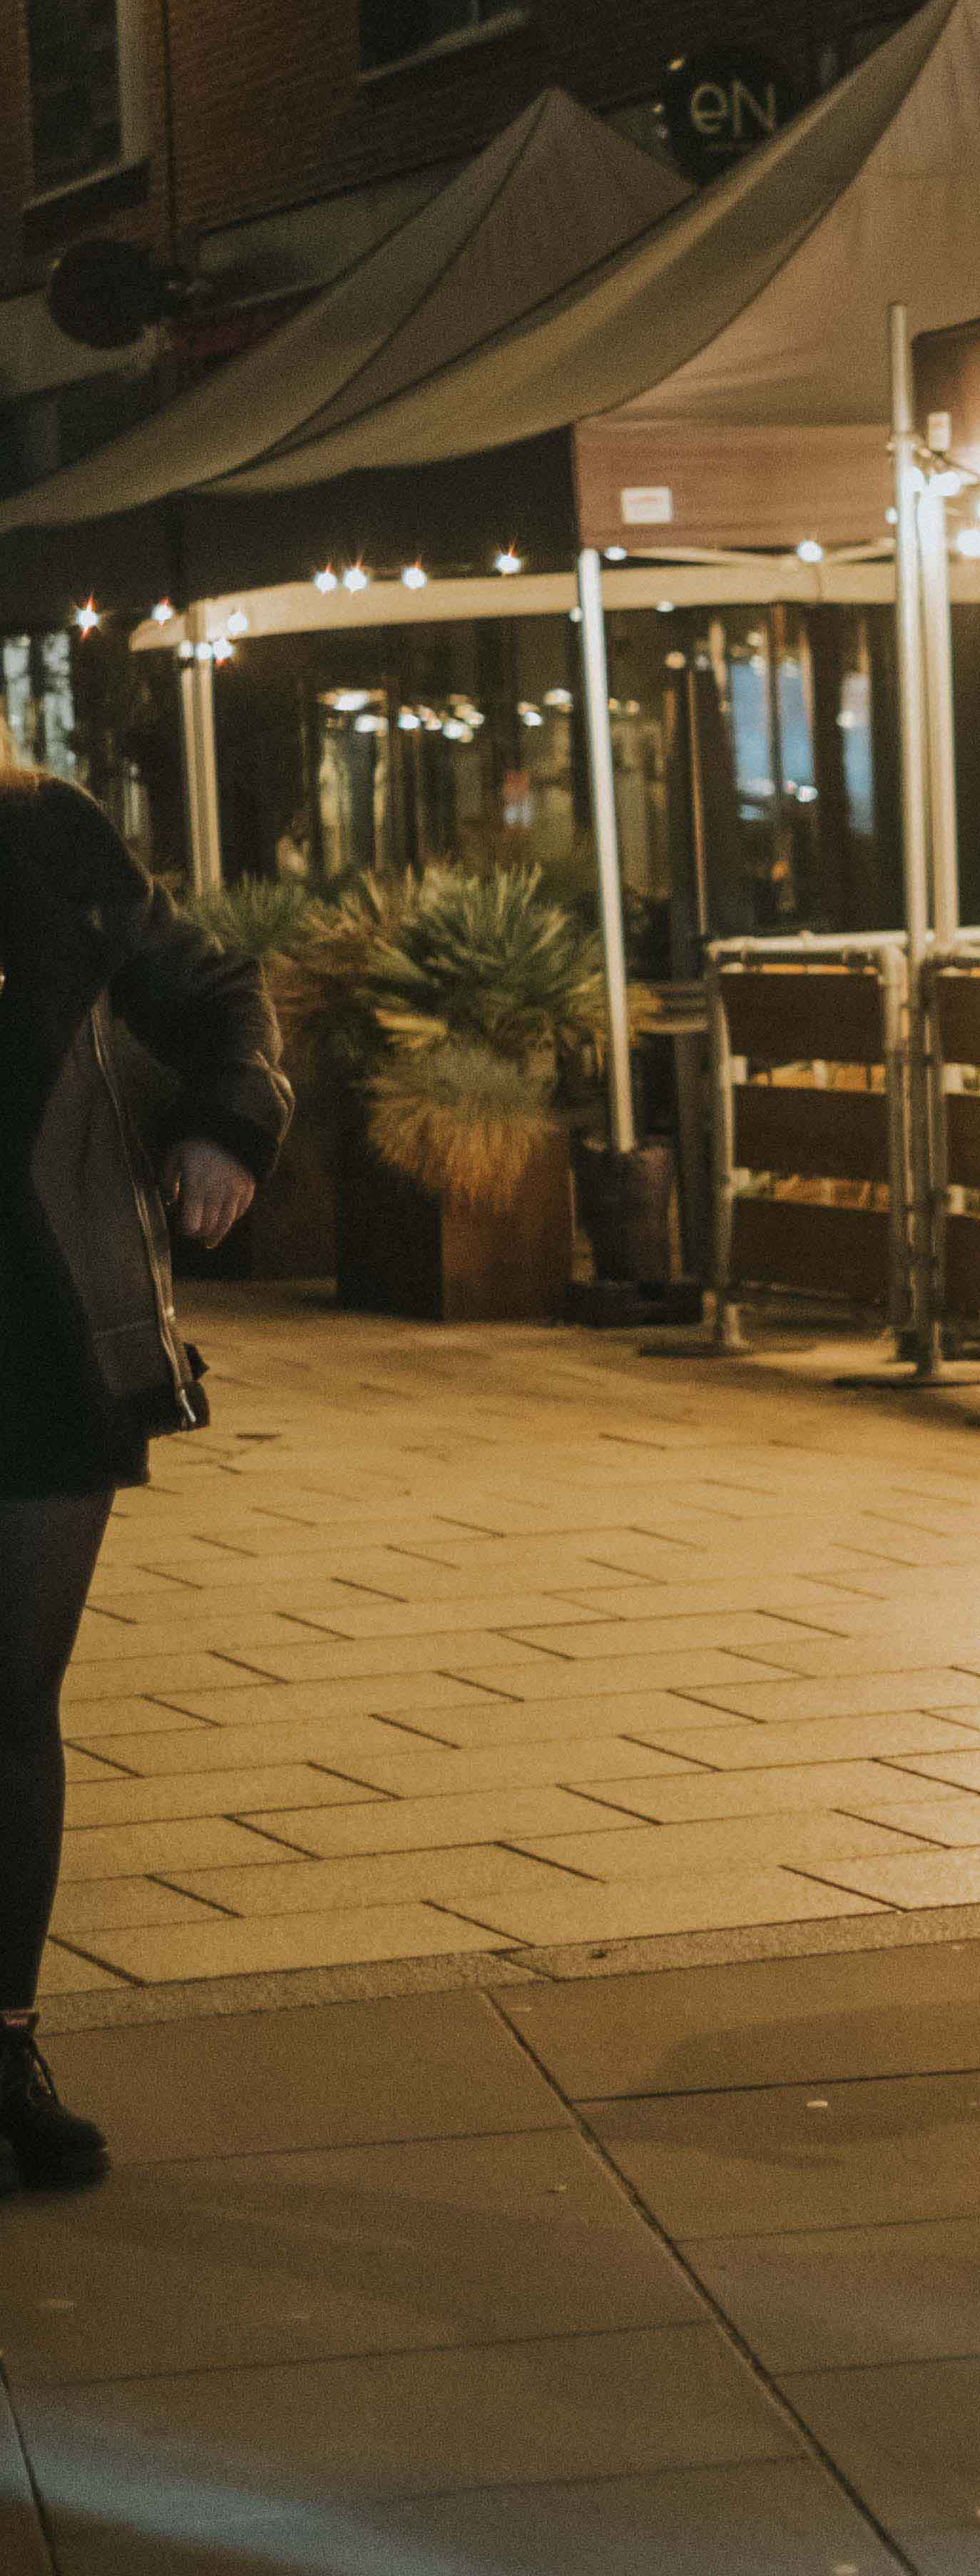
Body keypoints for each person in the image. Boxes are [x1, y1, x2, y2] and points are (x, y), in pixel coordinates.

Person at [0, 761, 280, 2184]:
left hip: (34, 1334)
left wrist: (230, 1118)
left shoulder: (40, 828)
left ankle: (3, 2050)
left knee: (9, 1704)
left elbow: (211, 987)